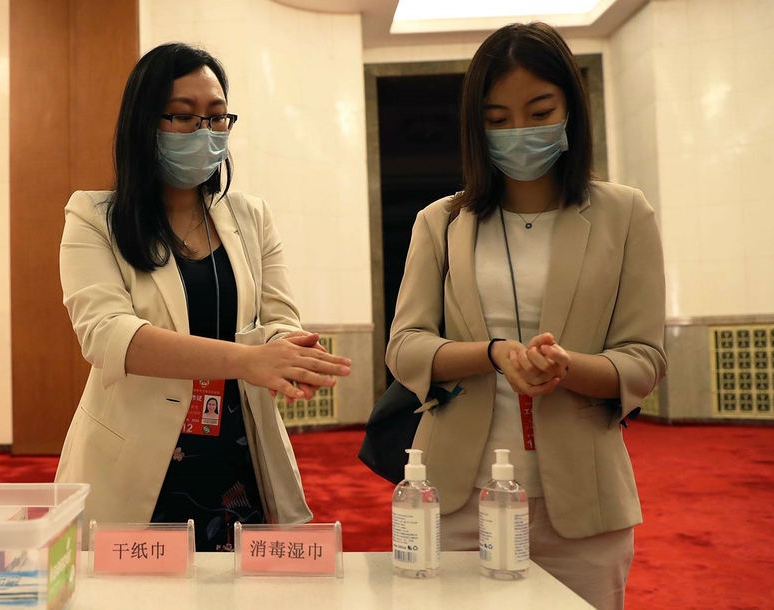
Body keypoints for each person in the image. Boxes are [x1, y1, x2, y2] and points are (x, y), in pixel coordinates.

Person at [385, 23, 666, 610]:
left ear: (571, 110)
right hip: (453, 496)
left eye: (539, 112)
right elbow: (405, 345)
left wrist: (568, 367)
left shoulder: (624, 214)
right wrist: (493, 354)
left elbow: (644, 358)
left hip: (585, 501)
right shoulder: (441, 222)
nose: (520, 132)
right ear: (476, 126)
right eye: (498, 119)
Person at [56, 42, 351, 552]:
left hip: (237, 453)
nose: (205, 132)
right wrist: (250, 360)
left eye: (217, 118)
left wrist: (292, 353)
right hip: (139, 462)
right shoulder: (93, 216)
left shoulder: (251, 216)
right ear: (144, 123)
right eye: (183, 116)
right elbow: (108, 337)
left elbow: (279, 317)